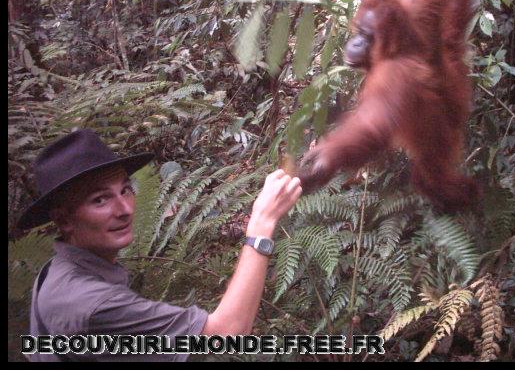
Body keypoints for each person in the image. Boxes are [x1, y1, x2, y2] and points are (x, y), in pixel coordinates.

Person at [18, 129, 302, 361]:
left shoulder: (55, 273)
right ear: (64, 220)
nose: (125, 209)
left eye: (125, 189)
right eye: (100, 200)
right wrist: (261, 224)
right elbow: (225, 336)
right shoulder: (92, 303)